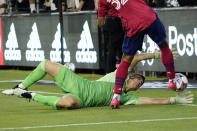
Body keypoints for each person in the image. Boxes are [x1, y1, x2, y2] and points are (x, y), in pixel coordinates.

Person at [2, 50, 192, 110]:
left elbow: (150, 101)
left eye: (141, 85)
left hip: (82, 101)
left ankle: (26, 93)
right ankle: (20, 85)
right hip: (78, 84)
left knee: (68, 104)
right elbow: (133, 58)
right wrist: (157, 55)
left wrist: (174, 99)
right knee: (45, 64)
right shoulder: (118, 76)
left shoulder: (126, 99)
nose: (138, 84)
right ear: (130, 76)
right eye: (138, 80)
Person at [98, 0, 179, 109]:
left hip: (133, 24)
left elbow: (100, 23)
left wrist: (109, 12)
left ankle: (116, 97)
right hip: (148, 16)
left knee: (125, 60)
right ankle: (172, 80)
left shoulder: (103, 1)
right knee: (163, 46)